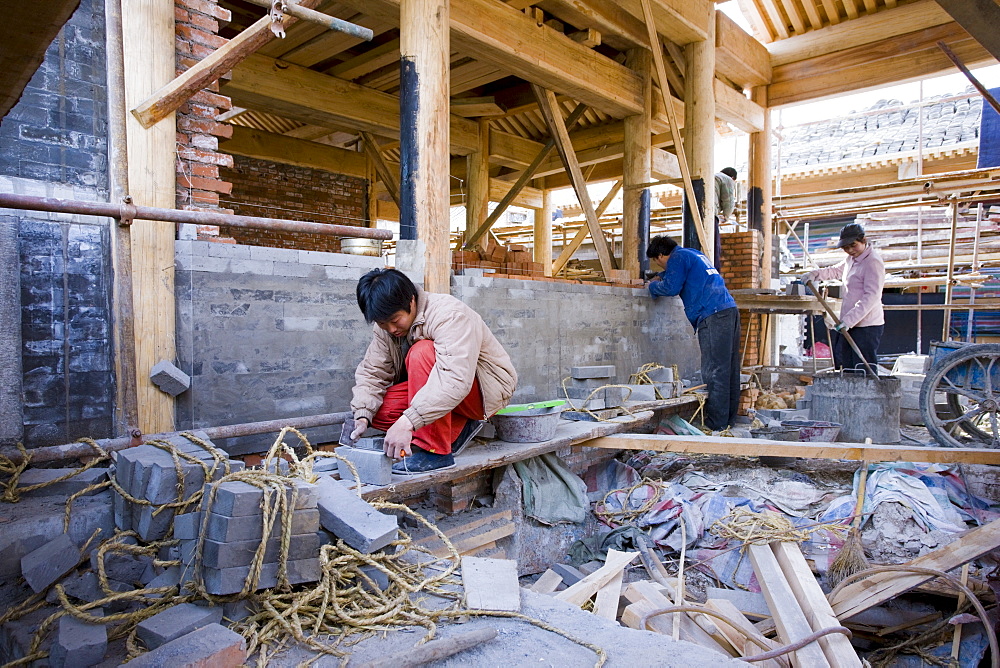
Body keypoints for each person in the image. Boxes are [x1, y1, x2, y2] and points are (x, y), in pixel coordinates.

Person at [348, 268, 517, 474]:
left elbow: (453, 379)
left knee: (422, 352)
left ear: (411, 301)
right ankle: (458, 427)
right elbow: (373, 372)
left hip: (482, 392)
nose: (391, 329)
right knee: (381, 411)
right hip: (443, 389)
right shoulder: (385, 330)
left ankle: (436, 451)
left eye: (395, 320)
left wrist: (408, 422)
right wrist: (363, 415)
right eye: (383, 323)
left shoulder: (449, 315)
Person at [646, 235, 741, 431]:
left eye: (658, 262)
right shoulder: (693, 254)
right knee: (728, 369)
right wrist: (663, 276)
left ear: (661, 255)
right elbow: (682, 276)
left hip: (713, 315)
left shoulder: (677, 258)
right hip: (728, 310)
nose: (660, 267)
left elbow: (671, 287)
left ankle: (716, 425)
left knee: (715, 371)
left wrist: (652, 286)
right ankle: (728, 421)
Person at [801, 222, 885, 371]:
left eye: (853, 245)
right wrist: (815, 274)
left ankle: (866, 394)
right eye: (846, 247)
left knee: (863, 369)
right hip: (850, 323)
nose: (850, 250)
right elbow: (835, 271)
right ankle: (848, 394)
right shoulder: (851, 259)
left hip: (866, 325)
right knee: (846, 366)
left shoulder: (872, 262)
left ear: (863, 241)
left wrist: (849, 320)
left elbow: (871, 296)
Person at [711, 167, 738, 270]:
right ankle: (715, 272)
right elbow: (729, 200)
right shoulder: (727, 179)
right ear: (733, 177)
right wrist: (726, 216)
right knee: (714, 248)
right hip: (710, 213)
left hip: (693, 211)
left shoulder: (713, 176)